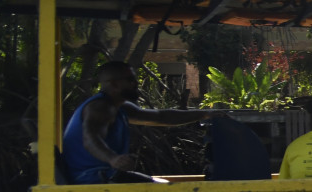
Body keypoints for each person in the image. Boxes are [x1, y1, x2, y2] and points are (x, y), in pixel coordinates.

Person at [60, 60, 219, 183]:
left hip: (107, 175)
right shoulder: (100, 107)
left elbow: (160, 117)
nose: (135, 83)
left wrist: (205, 114)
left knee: (165, 186)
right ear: (114, 83)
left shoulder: (121, 107)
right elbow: (90, 139)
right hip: (92, 178)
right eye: (130, 80)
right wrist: (112, 158)